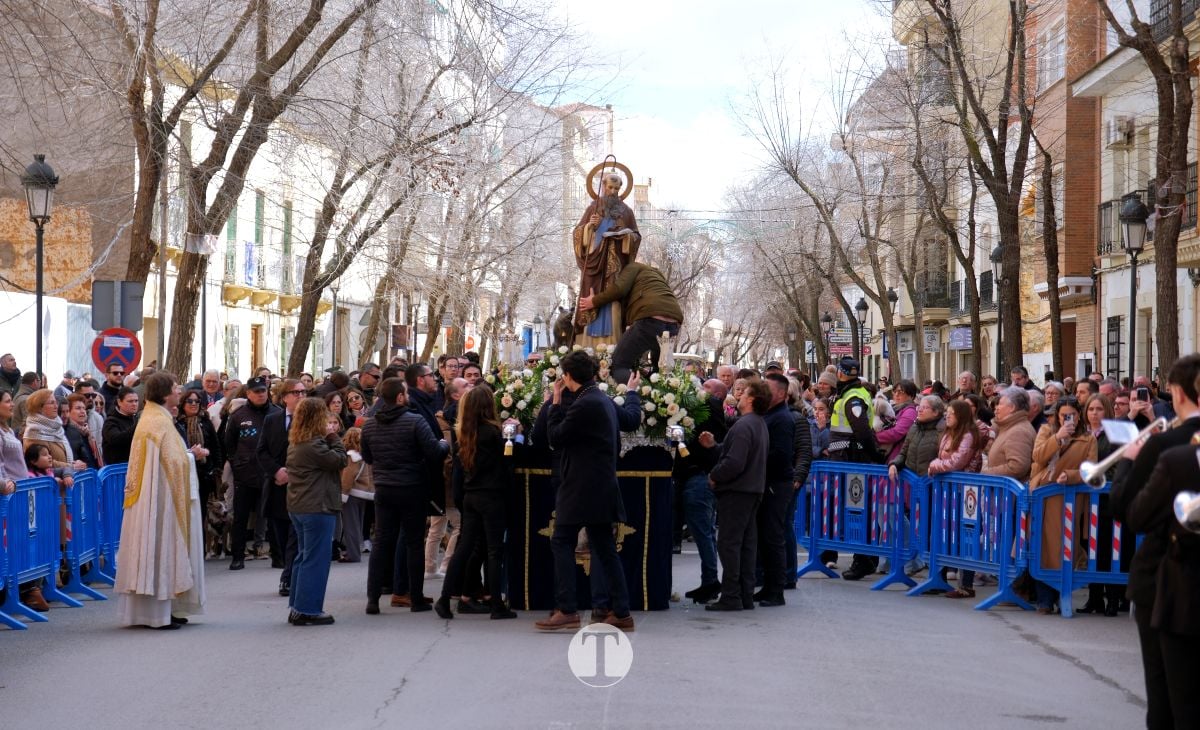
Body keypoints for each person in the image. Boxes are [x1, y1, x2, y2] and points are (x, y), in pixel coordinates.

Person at [1111, 354, 1200, 728]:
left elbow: (1125, 509)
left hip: (1165, 576)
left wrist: (1129, 459)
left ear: (1176, 393)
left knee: (1167, 694)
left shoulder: (1168, 447)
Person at [534, 350, 635, 632]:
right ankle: (621, 612)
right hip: (598, 486)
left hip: (582, 487)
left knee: (562, 541)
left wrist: (554, 402)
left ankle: (567, 609)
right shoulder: (598, 397)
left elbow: (555, 437)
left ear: (568, 376)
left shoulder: (585, 403)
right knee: (604, 548)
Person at [114, 372, 206, 630]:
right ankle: (156, 614)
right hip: (158, 501)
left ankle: (168, 608)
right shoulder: (156, 422)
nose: (180, 392)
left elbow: (171, 459)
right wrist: (192, 457)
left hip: (159, 495)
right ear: (165, 394)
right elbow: (171, 462)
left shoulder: (157, 418)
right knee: (159, 547)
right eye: (176, 388)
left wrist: (187, 455)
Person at [361, 377, 448, 616]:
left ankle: (373, 599)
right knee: (413, 542)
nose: (408, 396)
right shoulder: (414, 420)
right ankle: (416, 598)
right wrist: (444, 444)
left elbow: (367, 456)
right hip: (411, 488)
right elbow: (434, 452)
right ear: (400, 397)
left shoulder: (369, 425)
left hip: (384, 488)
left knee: (381, 542)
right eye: (406, 393)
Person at [435, 385, 518, 620]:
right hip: (491, 495)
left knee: (464, 548)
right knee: (494, 550)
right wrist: (516, 436)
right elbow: (508, 459)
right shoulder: (492, 432)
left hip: (471, 495)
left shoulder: (464, 432)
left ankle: (444, 599)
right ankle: (497, 605)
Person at [703, 379, 770, 612]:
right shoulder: (757, 424)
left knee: (729, 544)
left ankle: (732, 595)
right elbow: (737, 454)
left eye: (744, 393)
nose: (738, 396)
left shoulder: (744, 425)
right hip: (751, 490)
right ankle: (744, 594)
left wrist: (715, 475)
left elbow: (735, 462)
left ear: (751, 399)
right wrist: (716, 446)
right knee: (746, 545)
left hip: (737, 491)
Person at [284, 397, 347, 626]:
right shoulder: (314, 444)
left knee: (304, 557)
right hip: (317, 506)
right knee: (316, 560)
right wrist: (333, 437)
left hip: (301, 506)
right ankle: (307, 609)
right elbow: (340, 460)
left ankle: (297, 607)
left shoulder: (298, 441)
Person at [578, 261, 683, 385]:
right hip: (674, 323)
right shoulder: (656, 275)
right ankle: (657, 394)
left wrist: (594, 301)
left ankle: (637, 393)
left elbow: (619, 289)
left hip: (650, 318)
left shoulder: (634, 266)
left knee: (619, 365)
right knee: (660, 370)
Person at [572, 170, 641, 347]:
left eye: (616, 189)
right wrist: (590, 227)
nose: (613, 192)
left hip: (614, 266)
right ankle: (587, 347)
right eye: (610, 187)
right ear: (603, 186)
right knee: (590, 298)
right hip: (593, 266)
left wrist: (626, 236)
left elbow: (636, 236)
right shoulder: (593, 208)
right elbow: (577, 234)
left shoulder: (626, 212)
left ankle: (612, 347)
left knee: (612, 298)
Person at [677, 378, 730, 604]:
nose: (701, 388)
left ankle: (710, 581)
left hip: (699, 477)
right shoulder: (708, 408)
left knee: (702, 532)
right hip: (699, 476)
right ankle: (708, 579)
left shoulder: (710, 407)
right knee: (704, 531)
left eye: (707, 387)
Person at [927, 400, 983, 598]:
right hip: (948, 491)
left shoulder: (968, 435)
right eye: (947, 412)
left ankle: (966, 585)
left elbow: (956, 462)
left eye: (951, 413)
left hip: (964, 492)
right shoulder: (949, 433)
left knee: (964, 535)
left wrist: (934, 466)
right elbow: (943, 457)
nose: (947, 416)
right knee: (944, 533)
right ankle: (939, 579)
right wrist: (937, 463)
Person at [224, 376, 279, 570]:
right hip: (245, 474)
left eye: (263, 390)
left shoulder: (277, 413)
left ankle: (278, 556)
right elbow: (229, 444)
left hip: (271, 474)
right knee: (241, 517)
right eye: (256, 391)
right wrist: (238, 464)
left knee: (274, 516)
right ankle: (237, 556)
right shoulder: (239, 415)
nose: (261, 394)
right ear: (248, 393)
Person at [259, 379, 307, 595]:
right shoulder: (272, 419)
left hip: (301, 488)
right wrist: (277, 471)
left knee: (295, 537)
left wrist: (292, 474)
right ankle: (288, 572)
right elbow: (262, 451)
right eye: (296, 393)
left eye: (303, 392)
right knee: (280, 535)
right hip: (277, 486)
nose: (301, 396)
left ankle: (288, 578)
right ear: (285, 397)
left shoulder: (311, 420)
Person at [753, 373, 795, 607]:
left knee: (773, 537)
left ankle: (776, 590)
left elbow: (781, 454)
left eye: (767, 389)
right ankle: (768, 586)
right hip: (768, 482)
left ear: (780, 393)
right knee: (764, 538)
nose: (763, 393)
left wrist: (754, 460)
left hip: (775, 485)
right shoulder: (770, 414)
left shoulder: (782, 419)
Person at [175, 389, 222, 515]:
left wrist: (216, 468)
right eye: (190, 401)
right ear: (182, 404)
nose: (194, 404)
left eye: (197, 401)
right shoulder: (177, 423)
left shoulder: (206, 422)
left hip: (204, 473)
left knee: (201, 511)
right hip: (184, 473)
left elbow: (216, 446)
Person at [338, 427, 373, 563]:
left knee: (350, 524)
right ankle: (356, 550)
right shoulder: (365, 456)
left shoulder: (351, 456)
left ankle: (353, 554)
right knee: (358, 523)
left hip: (352, 493)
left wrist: (343, 495)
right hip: (363, 493)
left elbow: (347, 478)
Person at [101, 387, 140, 464]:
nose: (134, 404)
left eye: (136, 401)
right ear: (119, 402)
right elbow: (116, 439)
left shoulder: (135, 419)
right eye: (130, 401)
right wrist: (137, 427)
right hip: (118, 467)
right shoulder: (110, 422)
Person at [64, 393, 102, 470]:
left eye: (84, 408)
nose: (82, 411)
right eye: (78, 408)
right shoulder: (68, 433)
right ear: (68, 412)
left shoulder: (86, 433)